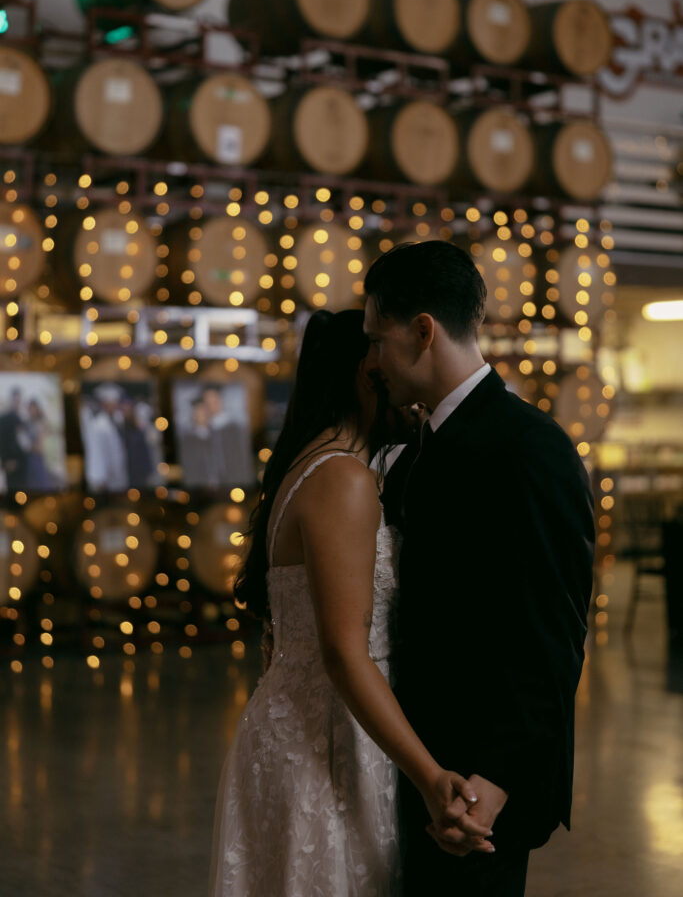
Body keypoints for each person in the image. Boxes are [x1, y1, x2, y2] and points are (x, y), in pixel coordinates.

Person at [209, 309, 492, 897]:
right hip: (329, 743)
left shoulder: (306, 464)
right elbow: (343, 651)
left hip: (297, 731)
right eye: (390, 375)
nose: (414, 401)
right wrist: (430, 777)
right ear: (367, 378)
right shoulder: (344, 477)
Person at [363, 240, 595, 896]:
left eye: (378, 340)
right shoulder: (420, 445)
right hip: (424, 770)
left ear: (421, 332)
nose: (373, 361)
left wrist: (493, 781)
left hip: (477, 789)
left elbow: (551, 638)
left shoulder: (529, 447)